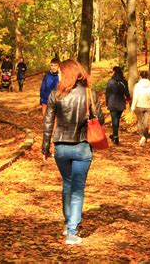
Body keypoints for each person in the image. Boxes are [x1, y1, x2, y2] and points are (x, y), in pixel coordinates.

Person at [42, 59, 104, 245]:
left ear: (66, 74)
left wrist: (45, 148)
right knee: (77, 189)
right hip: (82, 147)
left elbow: (47, 124)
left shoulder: (55, 95)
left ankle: (67, 223)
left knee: (67, 184)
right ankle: (71, 232)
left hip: (61, 147)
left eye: (61, 72)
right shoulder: (89, 94)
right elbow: (100, 119)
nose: (59, 75)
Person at [105, 66, 130, 145]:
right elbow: (127, 93)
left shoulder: (110, 81)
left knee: (114, 121)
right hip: (121, 103)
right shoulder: (124, 81)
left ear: (114, 72)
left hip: (112, 103)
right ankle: (115, 136)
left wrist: (107, 102)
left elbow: (107, 93)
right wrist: (127, 99)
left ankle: (115, 137)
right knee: (117, 120)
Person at [131, 70, 150, 146]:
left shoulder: (137, 85)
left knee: (139, 122)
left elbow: (135, 97)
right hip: (148, 106)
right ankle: (145, 137)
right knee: (146, 123)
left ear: (140, 77)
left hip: (139, 106)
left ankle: (142, 136)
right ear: (147, 76)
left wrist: (132, 106)